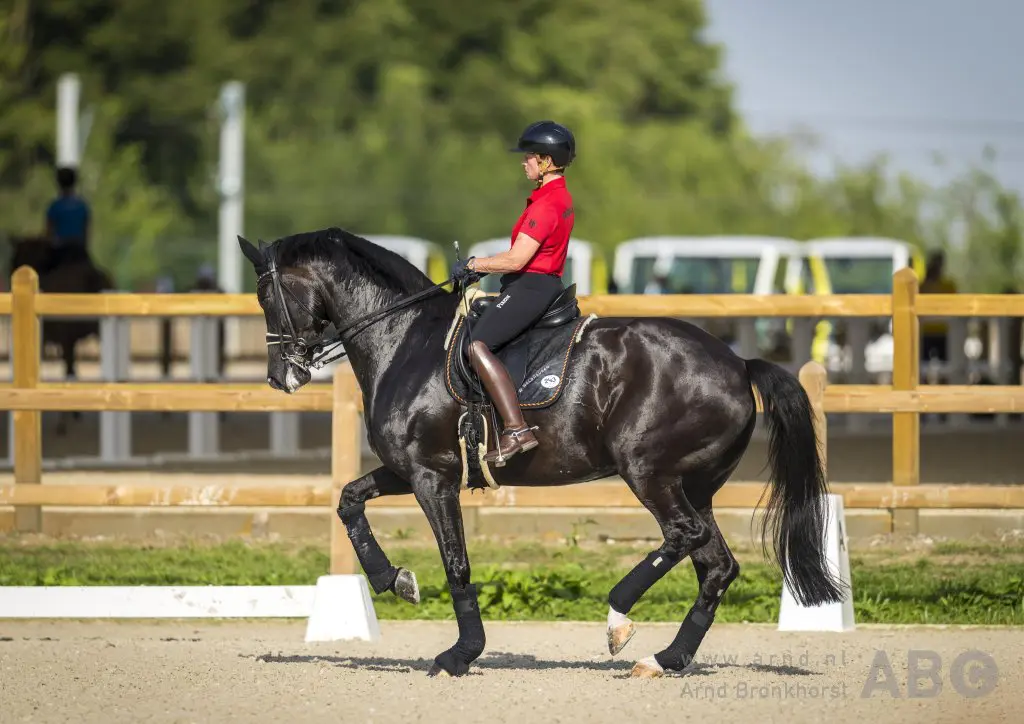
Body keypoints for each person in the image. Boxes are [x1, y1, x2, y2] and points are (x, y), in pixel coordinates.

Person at [450, 120, 576, 463]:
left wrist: (474, 265)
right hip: (537, 283)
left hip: (533, 284)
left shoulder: (546, 206)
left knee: (476, 346)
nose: (524, 163)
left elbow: (517, 258)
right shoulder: (556, 197)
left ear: (547, 162)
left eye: (530, 158)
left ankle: (516, 428)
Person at [42, 166, 91, 274]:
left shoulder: (54, 206)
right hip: (79, 250)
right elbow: (86, 230)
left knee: (43, 275)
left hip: (60, 250)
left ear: (58, 183)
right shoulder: (82, 206)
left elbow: (49, 232)